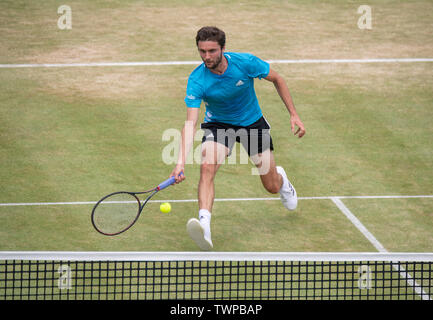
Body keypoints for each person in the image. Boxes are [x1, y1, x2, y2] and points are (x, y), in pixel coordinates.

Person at [170, 26, 305, 250]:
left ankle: (281, 179)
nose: (207, 56)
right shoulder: (197, 80)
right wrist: (180, 162)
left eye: (212, 51)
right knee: (207, 166)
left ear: (223, 48)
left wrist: (293, 114)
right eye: (202, 51)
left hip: (252, 122)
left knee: (271, 186)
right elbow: (190, 123)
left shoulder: (245, 63)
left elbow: (277, 79)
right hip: (219, 125)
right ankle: (205, 225)